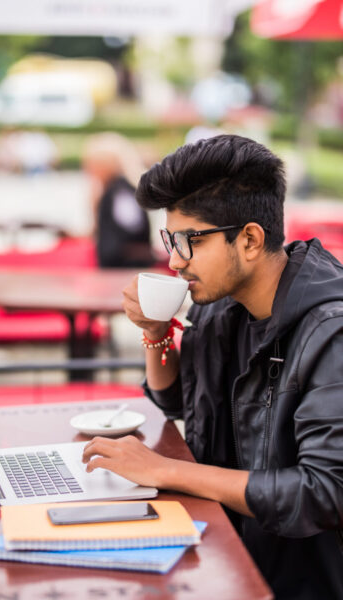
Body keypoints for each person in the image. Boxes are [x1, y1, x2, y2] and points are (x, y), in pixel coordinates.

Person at [82, 134, 343, 599]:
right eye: (170, 239)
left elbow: (321, 493)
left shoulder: (330, 332)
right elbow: (177, 397)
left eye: (189, 242)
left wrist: (165, 470)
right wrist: (158, 331)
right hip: (218, 554)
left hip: (294, 581)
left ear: (249, 239)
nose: (174, 260)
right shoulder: (221, 306)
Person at [82, 132, 154, 268]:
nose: (87, 170)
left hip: (125, 270)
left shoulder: (121, 193)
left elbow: (130, 231)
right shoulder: (114, 190)